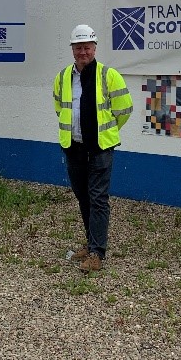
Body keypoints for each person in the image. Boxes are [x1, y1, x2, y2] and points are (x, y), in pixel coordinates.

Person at [53, 24, 133, 273]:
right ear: (72, 49)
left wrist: (104, 132)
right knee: (82, 195)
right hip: (74, 146)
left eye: (87, 47)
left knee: (98, 198)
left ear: (95, 48)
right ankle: (90, 244)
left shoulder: (109, 75)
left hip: (100, 147)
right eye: (78, 47)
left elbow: (124, 110)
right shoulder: (63, 76)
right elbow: (59, 106)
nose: (83, 52)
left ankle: (97, 253)